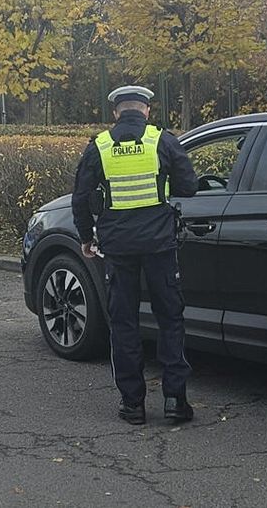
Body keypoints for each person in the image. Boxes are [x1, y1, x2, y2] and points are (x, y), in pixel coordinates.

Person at [71, 85, 198, 425]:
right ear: (146, 110)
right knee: (170, 319)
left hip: (117, 249)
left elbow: (80, 198)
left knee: (123, 323)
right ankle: (175, 401)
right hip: (160, 246)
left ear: (116, 112)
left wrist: (86, 238)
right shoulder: (162, 141)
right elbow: (189, 186)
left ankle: (132, 405)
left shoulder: (99, 146)